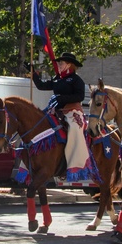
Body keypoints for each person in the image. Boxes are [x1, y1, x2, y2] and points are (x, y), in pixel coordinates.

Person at [31, 52, 94, 181]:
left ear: (69, 65)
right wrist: (33, 73)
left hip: (72, 111)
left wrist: (62, 97)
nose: (59, 65)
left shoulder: (76, 80)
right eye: (59, 63)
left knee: (75, 130)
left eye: (61, 63)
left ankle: (75, 164)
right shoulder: (57, 78)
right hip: (56, 110)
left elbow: (80, 97)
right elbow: (41, 86)